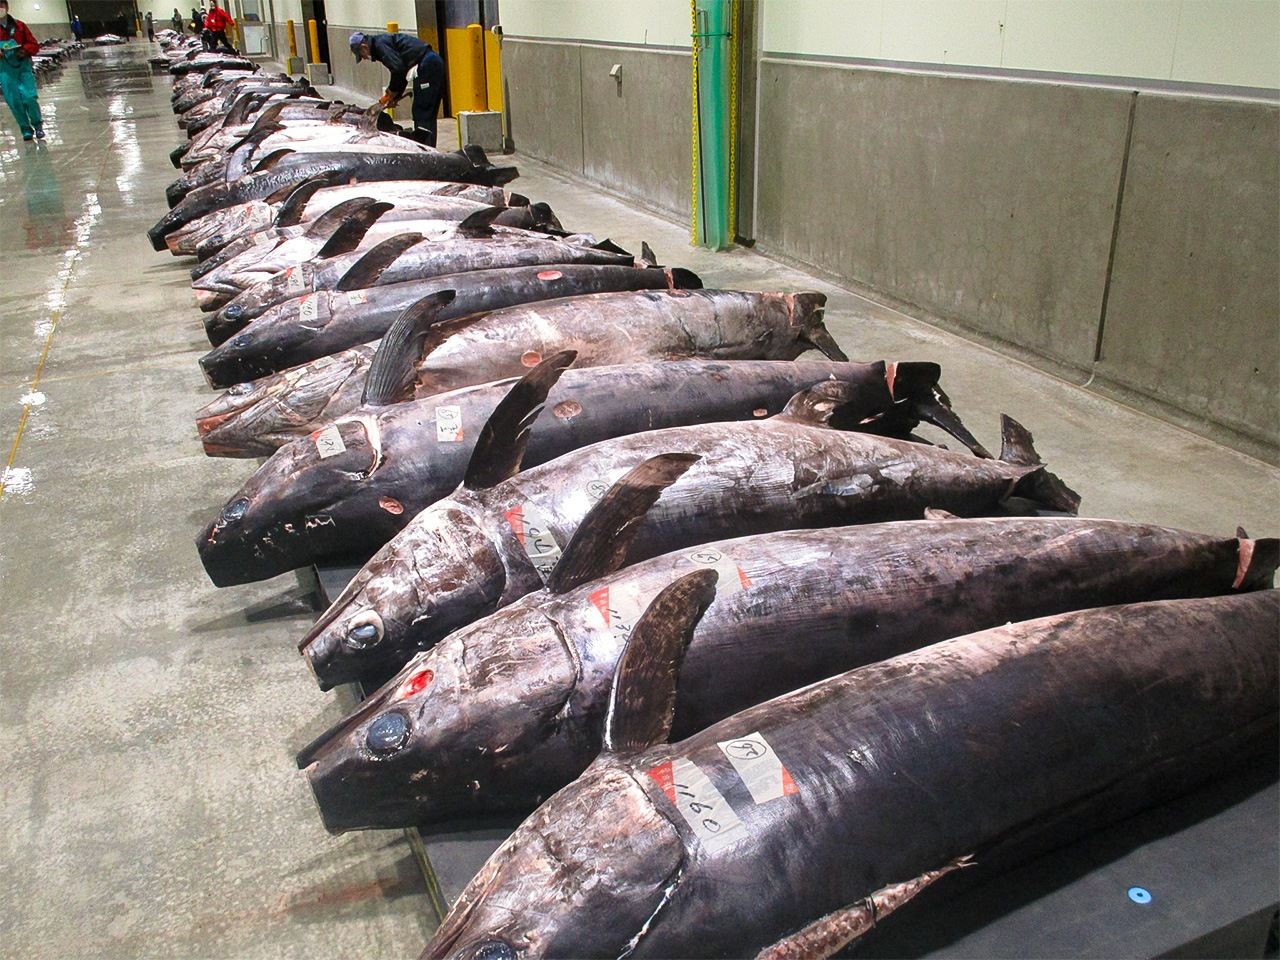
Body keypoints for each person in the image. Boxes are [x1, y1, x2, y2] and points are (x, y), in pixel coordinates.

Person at [350, 29, 444, 146]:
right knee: (423, 110)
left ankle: (426, 149)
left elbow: (398, 69)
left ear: (364, 47)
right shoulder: (380, 44)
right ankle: (426, 146)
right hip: (427, 64)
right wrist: (395, 95)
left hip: (428, 65)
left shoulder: (380, 46)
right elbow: (401, 70)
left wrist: (391, 92)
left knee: (423, 111)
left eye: (361, 55)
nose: (364, 58)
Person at [0, 0, 44, 141]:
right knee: (14, 100)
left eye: (1, 5)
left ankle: (38, 125)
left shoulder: (19, 26)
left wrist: (24, 50)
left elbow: (34, 45)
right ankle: (25, 129)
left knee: (29, 97)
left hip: (22, 67)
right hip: (5, 70)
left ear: (7, 7)